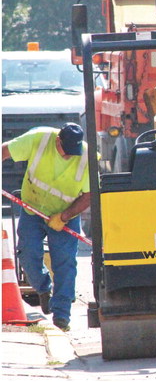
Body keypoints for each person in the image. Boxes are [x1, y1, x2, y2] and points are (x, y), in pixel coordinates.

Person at [1, 123, 90, 331]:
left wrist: (65, 216)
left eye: (73, 152)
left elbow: (89, 194)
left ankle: (61, 314)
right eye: (65, 151)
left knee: (65, 263)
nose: (69, 156)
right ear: (58, 140)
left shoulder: (86, 157)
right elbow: (4, 151)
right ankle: (43, 288)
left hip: (65, 215)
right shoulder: (39, 139)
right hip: (33, 208)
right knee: (28, 253)